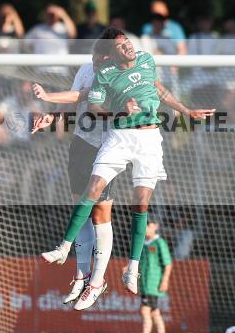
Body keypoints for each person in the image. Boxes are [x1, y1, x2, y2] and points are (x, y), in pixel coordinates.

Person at [40, 30, 213, 295]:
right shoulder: (103, 73)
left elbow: (160, 89)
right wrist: (54, 108)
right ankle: (65, 250)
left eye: (128, 42)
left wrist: (187, 111)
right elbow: (86, 100)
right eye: (121, 46)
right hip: (114, 137)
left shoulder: (146, 60)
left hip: (147, 139)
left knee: (139, 203)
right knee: (91, 190)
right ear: (110, 54)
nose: (128, 47)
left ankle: (128, 270)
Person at [31, 30, 119, 310]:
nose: (96, 62)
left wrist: (48, 95)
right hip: (81, 143)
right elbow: (77, 105)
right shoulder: (86, 68)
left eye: (102, 58)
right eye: (95, 56)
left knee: (100, 213)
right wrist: (52, 116)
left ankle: (98, 280)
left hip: (107, 148)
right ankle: (81, 275)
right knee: (79, 209)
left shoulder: (118, 78)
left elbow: (82, 95)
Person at [138, 219, 173, 333]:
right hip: (144, 284)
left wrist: (165, 281)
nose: (146, 228)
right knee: (154, 311)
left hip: (153, 284)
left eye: (149, 225)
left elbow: (167, 263)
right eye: (145, 225)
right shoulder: (142, 243)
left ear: (155, 226)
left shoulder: (159, 243)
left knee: (145, 309)